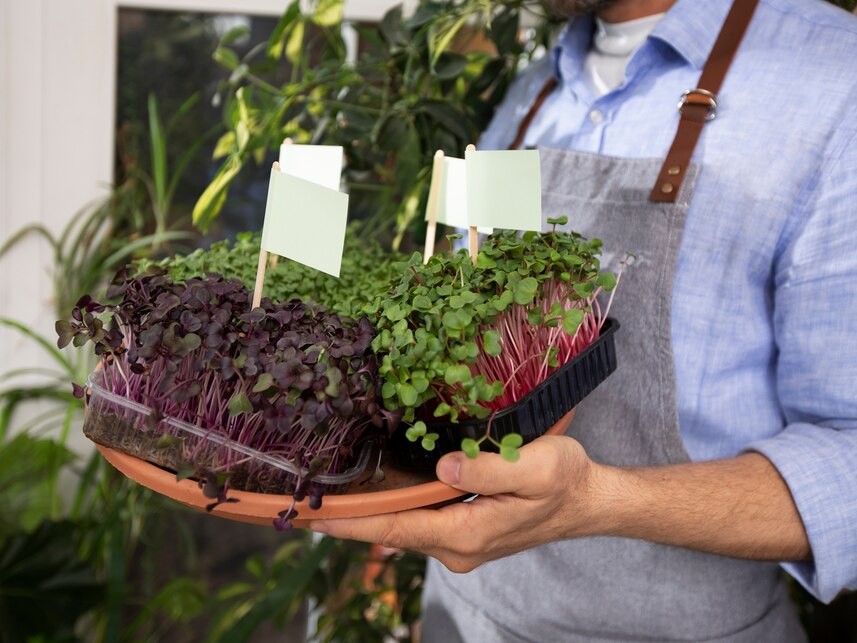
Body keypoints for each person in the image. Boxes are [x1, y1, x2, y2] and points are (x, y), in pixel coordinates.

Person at [310, 0, 857, 639]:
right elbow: (449, 330)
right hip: (462, 618)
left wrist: (599, 501)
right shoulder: (533, 91)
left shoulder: (835, 81)